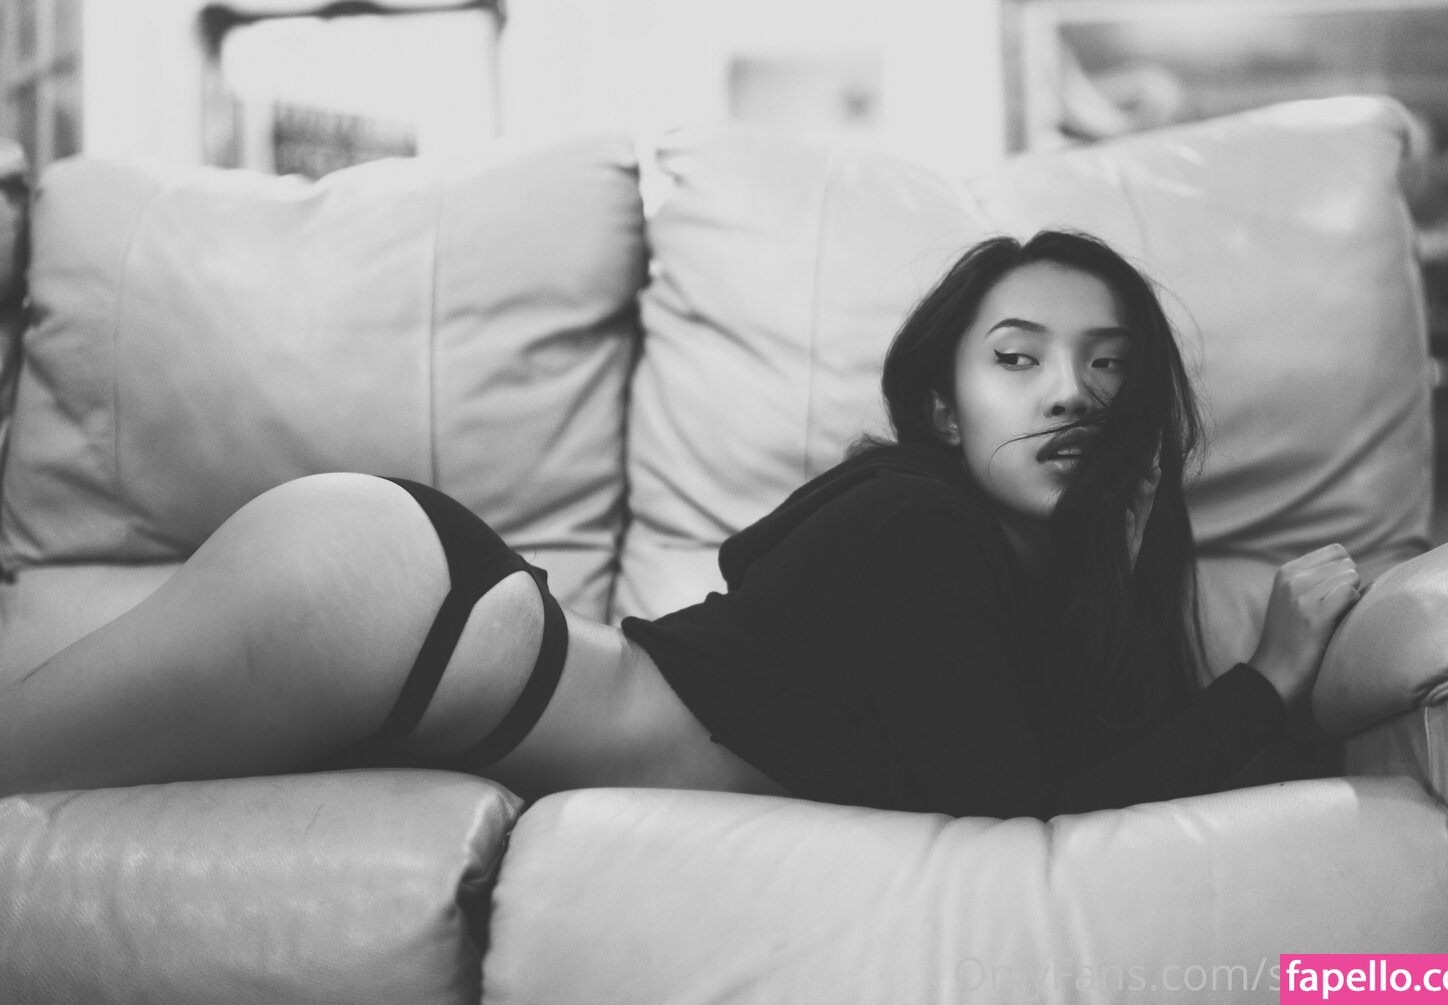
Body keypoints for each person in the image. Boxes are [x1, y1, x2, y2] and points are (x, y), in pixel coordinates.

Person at [0, 230, 1360, 820]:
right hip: (389, 603)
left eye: (1108, 367)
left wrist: (1129, 549)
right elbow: (1018, 804)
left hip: (424, 641)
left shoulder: (1013, 582)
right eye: (1019, 357)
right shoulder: (919, 528)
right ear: (944, 411)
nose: (1070, 391)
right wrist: (1269, 677)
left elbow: (1082, 764)